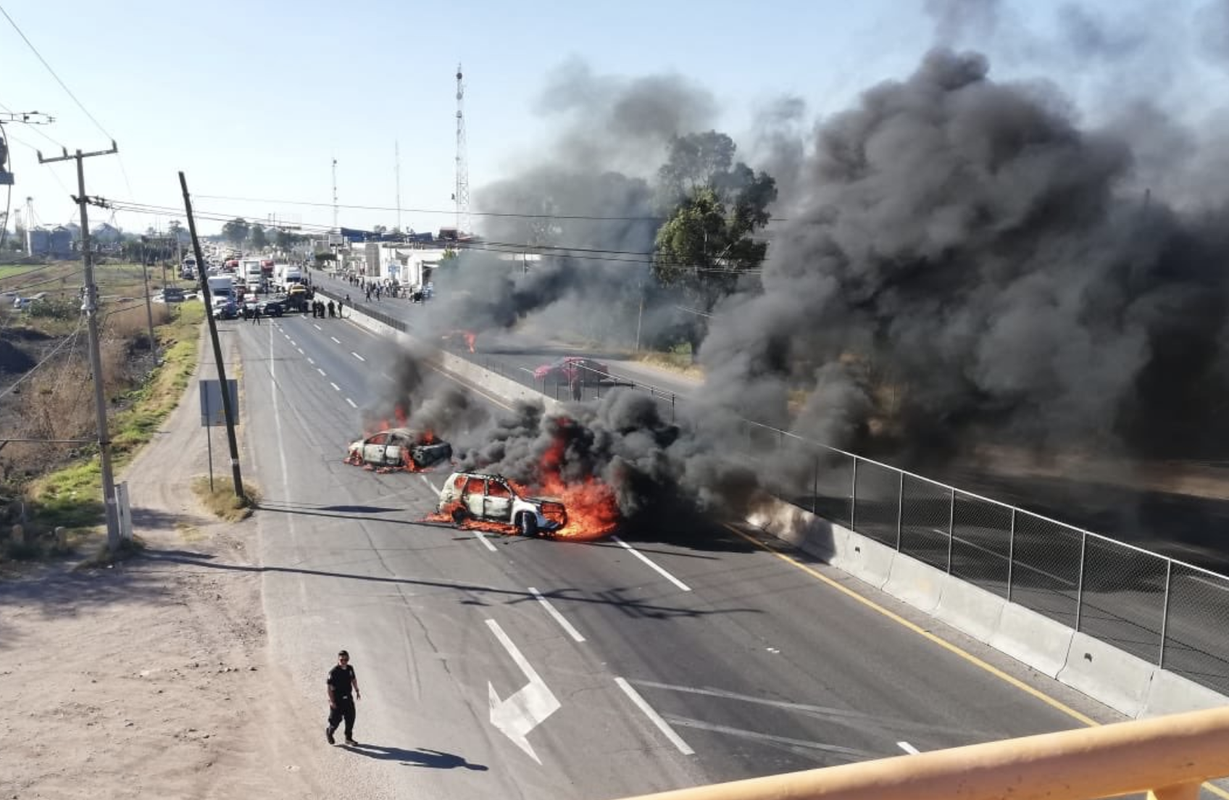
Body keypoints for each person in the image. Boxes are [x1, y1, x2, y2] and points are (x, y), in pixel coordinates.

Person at [326, 650, 361, 745]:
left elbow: (353, 679)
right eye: (342, 660)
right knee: (335, 721)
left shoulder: (350, 669)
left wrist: (357, 690)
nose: (344, 661)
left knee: (351, 718)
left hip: (348, 699)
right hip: (337, 700)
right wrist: (332, 702)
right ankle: (329, 732)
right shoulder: (333, 673)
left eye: (346, 659)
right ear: (338, 660)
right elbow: (329, 688)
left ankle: (348, 738)